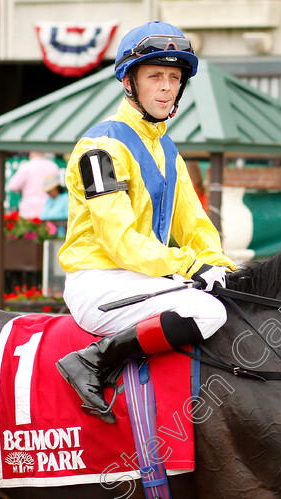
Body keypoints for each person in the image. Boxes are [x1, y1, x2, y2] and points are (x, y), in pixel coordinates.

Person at [55, 21, 236, 422]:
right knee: (209, 313)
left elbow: (196, 224)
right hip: (100, 282)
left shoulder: (167, 149)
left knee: (230, 298)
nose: (167, 87)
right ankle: (91, 362)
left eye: (174, 77)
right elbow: (120, 241)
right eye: (155, 76)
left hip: (143, 279)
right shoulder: (100, 147)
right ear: (129, 83)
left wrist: (218, 265)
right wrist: (190, 265)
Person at [7, 152, 59, 219]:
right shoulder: (53, 166)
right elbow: (56, 189)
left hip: (28, 211)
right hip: (48, 210)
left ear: (31, 155)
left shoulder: (25, 167)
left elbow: (13, 186)